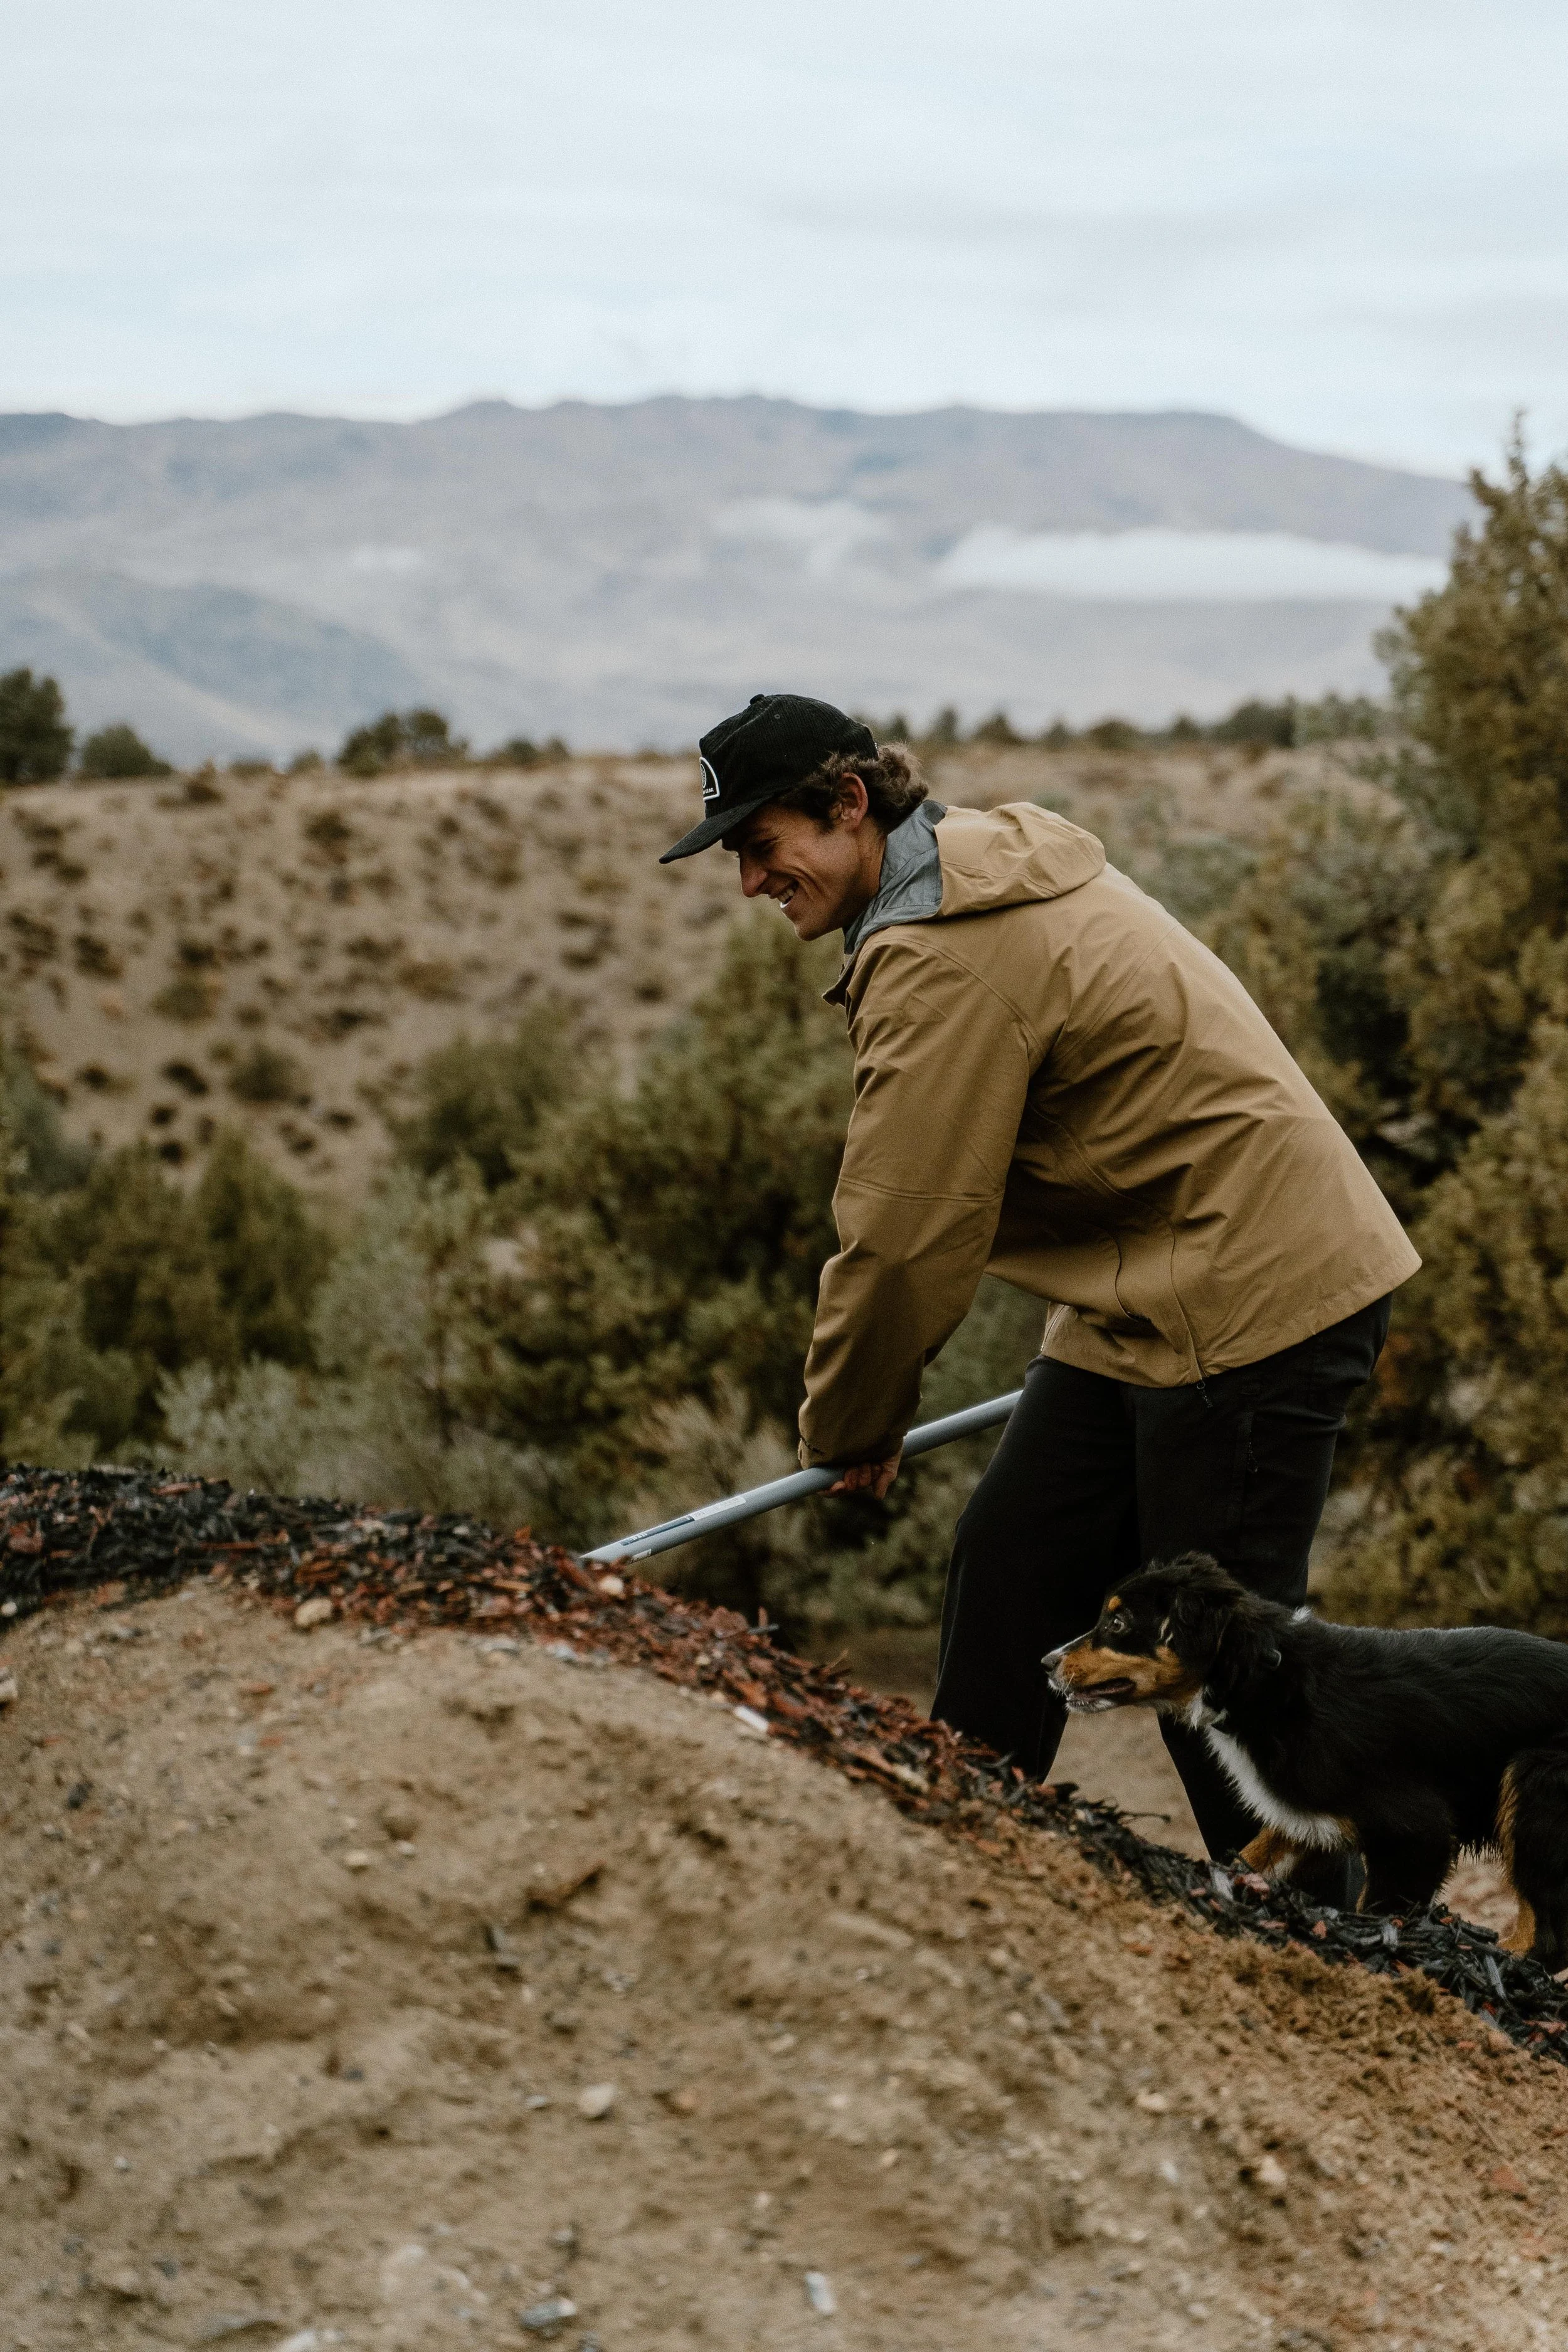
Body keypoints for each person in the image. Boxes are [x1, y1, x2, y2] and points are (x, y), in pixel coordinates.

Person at [662, 692, 1419, 1895]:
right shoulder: (963, 872)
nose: (752, 879)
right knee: (1011, 1559)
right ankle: (972, 1866)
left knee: (1209, 1666)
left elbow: (906, 1236)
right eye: (738, 855)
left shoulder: (944, 950)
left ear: (850, 803)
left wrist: (852, 1426)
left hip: (1254, 1292)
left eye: (764, 844)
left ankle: (1343, 1958)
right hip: (1146, 1292)